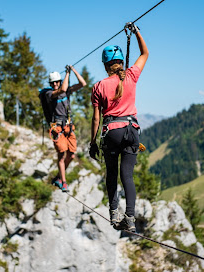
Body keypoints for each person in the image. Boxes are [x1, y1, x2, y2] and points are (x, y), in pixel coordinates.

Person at [89, 23, 148, 232]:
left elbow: (96, 119)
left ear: (106, 65)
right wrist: (137, 31)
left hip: (112, 132)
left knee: (112, 174)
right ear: (122, 62)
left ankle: (114, 214)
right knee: (128, 177)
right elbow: (145, 53)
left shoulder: (99, 86)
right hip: (132, 130)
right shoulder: (131, 76)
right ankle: (130, 218)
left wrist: (92, 142)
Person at [46, 66, 86, 192]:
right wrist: (67, 73)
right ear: (51, 84)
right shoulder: (50, 94)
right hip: (57, 129)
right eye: (53, 82)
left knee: (72, 156)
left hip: (68, 127)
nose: (55, 84)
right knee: (61, 156)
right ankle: (63, 182)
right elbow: (63, 88)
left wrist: (73, 70)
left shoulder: (67, 91)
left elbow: (83, 83)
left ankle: (58, 177)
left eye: (57, 81)